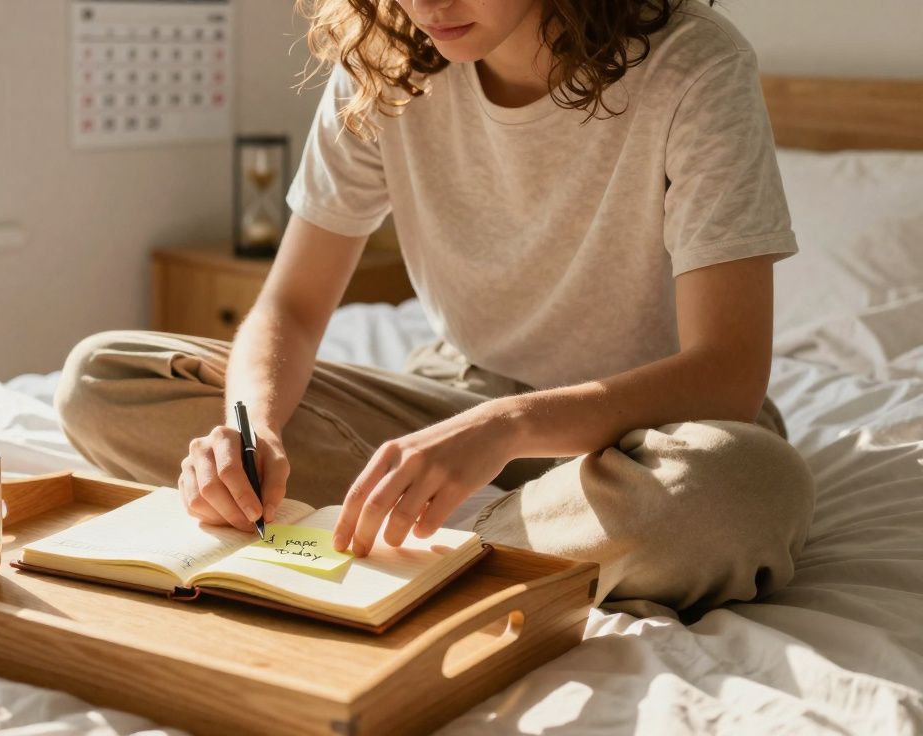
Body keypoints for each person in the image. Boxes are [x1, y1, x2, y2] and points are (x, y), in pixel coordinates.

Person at [54, 0, 815, 616]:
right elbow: (289, 305)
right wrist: (249, 431)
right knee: (103, 378)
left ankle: (430, 540)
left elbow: (730, 373)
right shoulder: (383, 65)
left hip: (651, 433)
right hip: (457, 397)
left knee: (735, 494)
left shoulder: (694, 64)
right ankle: (522, 533)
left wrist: (505, 428)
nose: (425, 4)